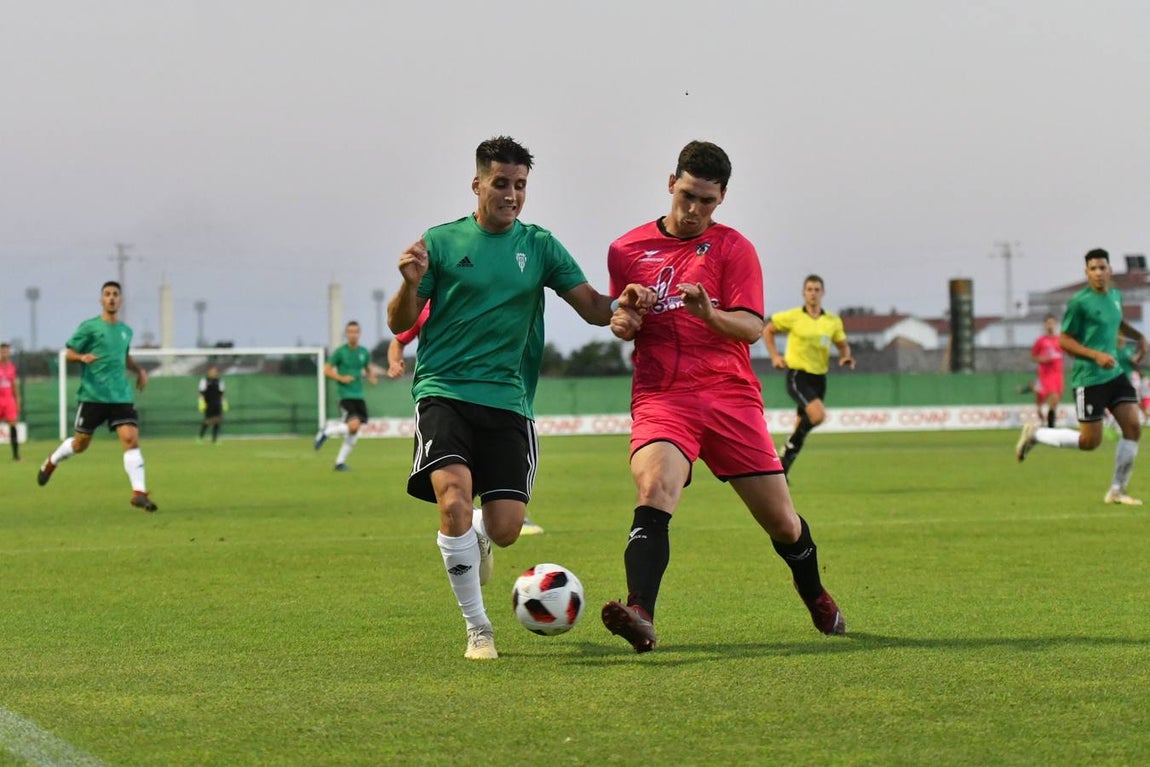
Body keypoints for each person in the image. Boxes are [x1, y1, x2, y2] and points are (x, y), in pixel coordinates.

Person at [386, 135, 654, 660]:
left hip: (509, 400)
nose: (511, 195)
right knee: (454, 500)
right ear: (477, 184)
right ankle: (478, 629)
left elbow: (595, 308)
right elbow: (399, 322)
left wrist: (624, 301)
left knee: (506, 529)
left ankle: (479, 537)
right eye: (501, 184)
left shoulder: (541, 246)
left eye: (520, 185)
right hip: (444, 391)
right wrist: (408, 284)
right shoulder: (439, 243)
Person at [600, 140, 846, 654]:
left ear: (722, 199)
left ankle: (815, 593)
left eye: (706, 201)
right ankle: (640, 612)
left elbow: (753, 327)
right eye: (687, 195)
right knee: (654, 489)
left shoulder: (734, 249)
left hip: (729, 397)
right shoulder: (626, 250)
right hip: (662, 397)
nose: (693, 210)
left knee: (782, 521)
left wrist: (709, 314)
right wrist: (624, 318)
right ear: (671, 183)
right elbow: (623, 318)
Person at [389, 301, 545, 536]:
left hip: (501, 400)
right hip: (445, 399)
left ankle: (485, 517)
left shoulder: (492, 300)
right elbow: (399, 338)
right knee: (455, 493)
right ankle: (469, 520)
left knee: (503, 524)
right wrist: (394, 362)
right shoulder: (427, 307)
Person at [1016, 248, 1147, 505]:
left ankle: (1117, 491)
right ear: (1086, 273)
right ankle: (1036, 434)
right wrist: (1095, 355)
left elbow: (1116, 322)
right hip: (1089, 378)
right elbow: (1064, 340)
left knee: (1133, 427)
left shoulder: (1116, 296)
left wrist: (1139, 337)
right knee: (1090, 441)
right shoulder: (1080, 302)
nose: (1099, 273)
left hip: (1115, 375)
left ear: (1109, 270)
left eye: (1102, 268)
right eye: (1093, 269)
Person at [36, 281, 158, 511]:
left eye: (115, 294)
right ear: (101, 300)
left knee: (131, 439)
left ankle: (139, 492)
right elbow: (68, 353)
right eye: (107, 294)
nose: (111, 298)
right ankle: (53, 460)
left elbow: (124, 357)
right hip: (93, 395)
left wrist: (139, 371)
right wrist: (82, 358)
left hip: (120, 395)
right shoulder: (90, 327)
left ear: (120, 300)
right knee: (81, 444)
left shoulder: (125, 331)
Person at [762, 275, 855, 475]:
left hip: (819, 377)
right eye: (809, 289)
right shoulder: (793, 316)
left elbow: (842, 344)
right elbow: (768, 330)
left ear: (823, 293)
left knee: (802, 425)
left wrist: (846, 356)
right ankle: (786, 449)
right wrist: (775, 356)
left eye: (816, 289)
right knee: (817, 415)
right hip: (798, 375)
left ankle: (782, 468)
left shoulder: (832, 321)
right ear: (804, 293)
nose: (813, 293)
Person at [315, 320, 378, 471]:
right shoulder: (340, 352)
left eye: (356, 331)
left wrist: (371, 376)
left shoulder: (363, 352)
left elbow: (367, 368)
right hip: (345, 395)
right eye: (350, 332)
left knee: (354, 430)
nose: (353, 334)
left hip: (359, 395)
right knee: (353, 425)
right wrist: (341, 378)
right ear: (346, 334)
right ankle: (327, 431)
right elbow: (326, 370)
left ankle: (339, 463)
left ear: (359, 333)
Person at [1019, 315, 1064, 428]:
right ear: (1044, 325)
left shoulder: (1060, 340)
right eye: (1048, 323)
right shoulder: (1041, 341)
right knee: (1053, 395)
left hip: (1058, 373)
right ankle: (1051, 425)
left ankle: (1034, 388)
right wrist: (1041, 359)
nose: (1050, 325)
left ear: (1056, 324)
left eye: (1052, 323)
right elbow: (1033, 356)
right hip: (1046, 373)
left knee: (1056, 399)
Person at [0, 342, 20, 461]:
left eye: (6, 351)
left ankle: (16, 455)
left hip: (8, 400)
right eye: (3, 351)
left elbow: (14, 385)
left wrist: (18, 401)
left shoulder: (12, 367)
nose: (5, 353)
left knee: (13, 424)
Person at [197, 366, 228, 443]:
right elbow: (201, 392)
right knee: (208, 421)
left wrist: (224, 402)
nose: (214, 373)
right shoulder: (204, 381)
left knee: (218, 420)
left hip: (217, 402)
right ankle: (200, 437)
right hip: (208, 403)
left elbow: (222, 392)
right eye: (212, 371)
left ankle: (214, 439)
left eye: (215, 371)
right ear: (209, 372)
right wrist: (201, 402)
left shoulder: (219, 381)